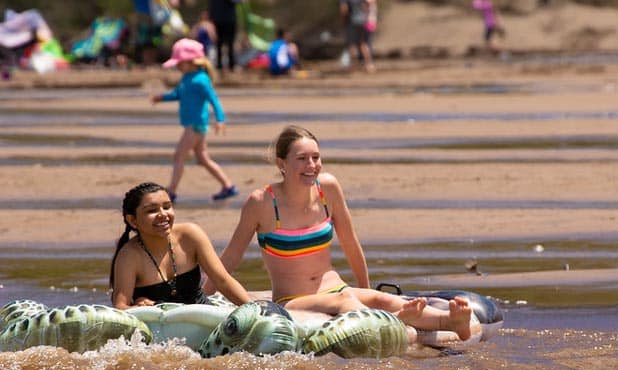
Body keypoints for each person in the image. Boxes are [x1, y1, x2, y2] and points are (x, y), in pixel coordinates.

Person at [205, 125, 474, 340]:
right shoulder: (262, 202)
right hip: (293, 300)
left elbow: (350, 242)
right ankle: (397, 323)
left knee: (381, 298)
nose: (312, 165)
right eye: (302, 159)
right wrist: (203, 301)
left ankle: (452, 322)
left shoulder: (328, 189)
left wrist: (364, 290)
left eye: (316, 157)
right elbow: (230, 259)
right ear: (281, 163)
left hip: (336, 287)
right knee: (347, 301)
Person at [110, 182, 253, 309]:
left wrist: (254, 311)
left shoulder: (190, 235)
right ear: (133, 220)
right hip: (162, 329)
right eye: (152, 210)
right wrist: (139, 307)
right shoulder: (129, 255)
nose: (163, 214)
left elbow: (223, 281)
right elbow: (120, 306)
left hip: (204, 317)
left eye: (167, 207)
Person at [150, 38, 238, 202]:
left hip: (196, 125)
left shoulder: (200, 79)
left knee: (179, 156)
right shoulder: (187, 78)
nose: (177, 66)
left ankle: (172, 192)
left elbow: (214, 99)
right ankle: (228, 186)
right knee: (203, 159)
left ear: (191, 61)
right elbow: (177, 94)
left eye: (179, 63)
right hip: (194, 125)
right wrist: (161, 98)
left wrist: (220, 119)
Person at [339, 0, 375, 73]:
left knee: (352, 45)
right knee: (363, 43)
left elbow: (344, 9)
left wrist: (343, 21)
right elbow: (369, 4)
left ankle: (353, 66)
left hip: (352, 22)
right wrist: (367, 16)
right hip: (363, 21)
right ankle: (369, 65)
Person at [209, 0, 238, 72]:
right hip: (227, 19)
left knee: (222, 43)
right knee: (225, 43)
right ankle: (228, 65)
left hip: (220, 19)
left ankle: (223, 65)